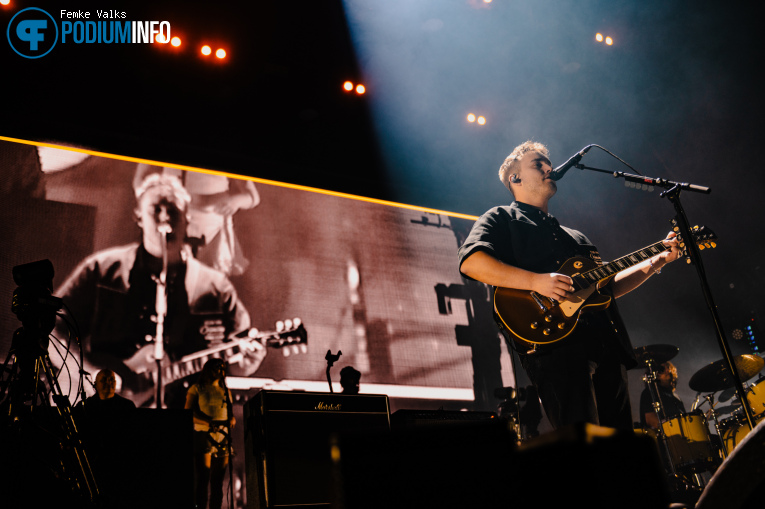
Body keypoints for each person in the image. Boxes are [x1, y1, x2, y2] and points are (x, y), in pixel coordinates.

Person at [458, 141, 681, 431]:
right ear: (515, 178)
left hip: (606, 344)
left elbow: (606, 289)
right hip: (555, 346)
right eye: (538, 163)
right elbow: (471, 262)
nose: (549, 167)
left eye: (547, 162)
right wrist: (536, 281)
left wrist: (657, 261)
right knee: (584, 444)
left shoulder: (576, 237)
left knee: (621, 449)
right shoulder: (501, 218)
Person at [52, 173, 266, 408]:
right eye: (156, 209)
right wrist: (89, 373)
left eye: (173, 210)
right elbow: (53, 328)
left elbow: (237, 360)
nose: (165, 218)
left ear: (187, 218)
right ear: (139, 217)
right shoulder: (102, 269)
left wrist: (248, 362)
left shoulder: (215, 287)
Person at [185, 359, 234, 509]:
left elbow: (230, 413)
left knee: (217, 481)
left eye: (222, 368)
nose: (220, 370)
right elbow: (189, 412)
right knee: (203, 478)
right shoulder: (196, 388)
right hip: (204, 436)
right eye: (217, 367)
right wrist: (208, 422)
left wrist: (231, 419)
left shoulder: (226, 391)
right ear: (208, 369)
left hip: (223, 438)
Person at [640, 361, 686, 430]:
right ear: (655, 374)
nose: (667, 371)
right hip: (664, 437)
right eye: (662, 369)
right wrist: (672, 429)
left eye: (668, 368)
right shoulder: (649, 392)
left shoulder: (676, 397)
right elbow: (651, 420)